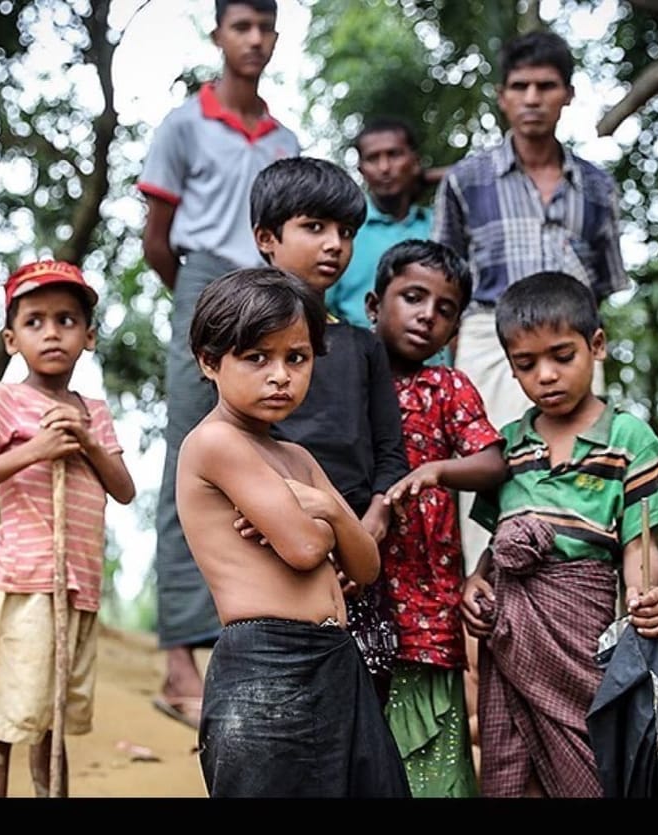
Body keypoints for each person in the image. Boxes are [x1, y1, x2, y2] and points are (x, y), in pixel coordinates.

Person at [177, 267, 409, 797]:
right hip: (266, 666)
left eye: (296, 358)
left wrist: (324, 504)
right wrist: (329, 523)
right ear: (210, 361)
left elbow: (366, 566)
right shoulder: (215, 442)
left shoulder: (296, 457)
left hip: (335, 659)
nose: (280, 374)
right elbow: (305, 548)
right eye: (257, 357)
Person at [139, 0, 300, 730]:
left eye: (266, 28)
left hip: (270, 294)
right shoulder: (183, 123)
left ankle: (254, 639)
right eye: (242, 27)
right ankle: (178, 651)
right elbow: (157, 236)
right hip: (203, 285)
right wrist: (200, 311)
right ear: (219, 36)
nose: (255, 40)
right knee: (190, 450)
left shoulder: (286, 137)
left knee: (268, 460)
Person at [460, 272, 658, 797]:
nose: (546, 376)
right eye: (526, 364)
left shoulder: (628, 436)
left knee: (587, 754)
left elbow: (639, 540)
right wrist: (475, 584)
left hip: (581, 628)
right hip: (510, 629)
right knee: (515, 762)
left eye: (562, 356)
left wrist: (644, 596)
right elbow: (497, 542)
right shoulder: (509, 445)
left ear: (597, 345)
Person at [432, 30, 630, 571]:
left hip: (572, 339)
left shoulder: (596, 187)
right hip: (491, 340)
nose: (533, 98)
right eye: (520, 86)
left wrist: (581, 349)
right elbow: (443, 280)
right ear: (502, 95)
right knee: (492, 464)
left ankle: (581, 603)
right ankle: (489, 596)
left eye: (546, 86)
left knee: (587, 463)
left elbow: (605, 283)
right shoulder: (467, 180)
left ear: (567, 94)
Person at [0, 260, 135, 797]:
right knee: (3, 722)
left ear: (90, 336)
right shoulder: (2, 400)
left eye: (66, 320)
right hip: (24, 584)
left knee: (51, 725)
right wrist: (36, 449)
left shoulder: (93, 411)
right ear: (11, 339)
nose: (51, 332)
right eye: (34, 322)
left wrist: (88, 442)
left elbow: (123, 490)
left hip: (78, 589)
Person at [249, 156, 411, 702]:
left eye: (346, 231)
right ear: (267, 238)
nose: (334, 245)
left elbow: (391, 453)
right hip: (267, 552)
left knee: (363, 700)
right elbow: (231, 444)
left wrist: (367, 526)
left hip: (359, 555)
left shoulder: (363, 347)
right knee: (282, 707)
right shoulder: (238, 347)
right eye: (314, 228)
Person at [365, 239, 506, 797]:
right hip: (353, 598)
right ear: (376, 305)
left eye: (445, 309)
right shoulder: (343, 372)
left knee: (434, 767)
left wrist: (439, 472)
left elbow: (493, 461)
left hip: (427, 607)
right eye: (413, 297)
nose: (428, 314)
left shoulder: (447, 387)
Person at [325, 118, 435, 330]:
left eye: (394, 154)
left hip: (433, 360)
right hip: (356, 357)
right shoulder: (343, 231)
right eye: (373, 158)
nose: (384, 167)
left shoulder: (438, 225)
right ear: (361, 169)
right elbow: (322, 306)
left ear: (415, 161)